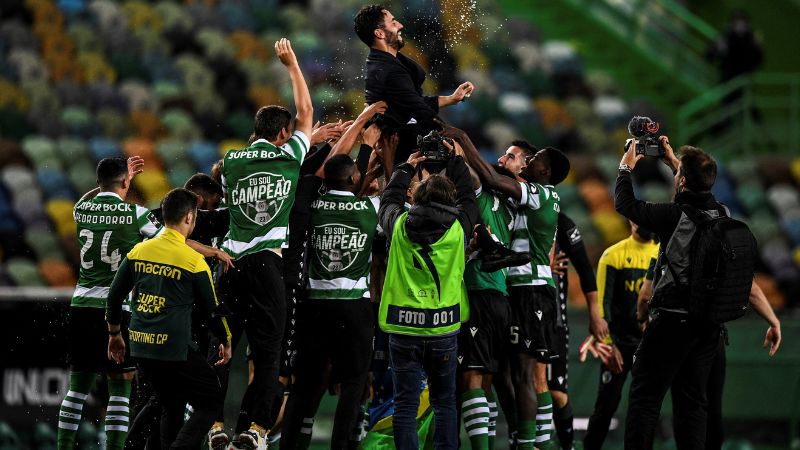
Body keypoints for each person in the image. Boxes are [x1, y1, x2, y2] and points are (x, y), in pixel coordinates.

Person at [214, 37, 313, 449]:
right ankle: (255, 430)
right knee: (268, 353)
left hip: (230, 265)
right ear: (283, 133)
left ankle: (214, 425)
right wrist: (291, 65)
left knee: (221, 348)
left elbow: (221, 177)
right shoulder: (289, 155)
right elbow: (307, 112)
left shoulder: (232, 161)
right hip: (268, 264)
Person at [447, 126, 570, 450]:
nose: (517, 161)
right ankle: (525, 440)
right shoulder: (521, 199)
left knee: (528, 376)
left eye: (526, 159)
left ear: (541, 169)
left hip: (530, 291)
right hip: (514, 290)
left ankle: (533, 445)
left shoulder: (538, 193)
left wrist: (462, 137)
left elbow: (488, 178)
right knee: (505, 374)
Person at [615, 135, 730, 449]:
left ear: (681, 182)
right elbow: (698, 188)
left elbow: (625, 205)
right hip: (708, 326)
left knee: (645, 397)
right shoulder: (723, 214)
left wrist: (625, 168)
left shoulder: (673, 216)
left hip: (672, 320)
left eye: (678, 174)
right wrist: (672, 162)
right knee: (694, 403)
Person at [106, 188, 232, 450]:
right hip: (173, 348)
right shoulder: (193, 261)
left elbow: (114, 297)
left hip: (140, 345)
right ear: (189, 218)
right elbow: (213, 311)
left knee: (170, 401)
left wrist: (115, 335)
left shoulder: (139, 251)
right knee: (210, 400)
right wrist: (226, 339)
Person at [57, 156, 160, 450]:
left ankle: (63, 446)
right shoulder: (136, 214)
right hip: (117, 309)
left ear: (99, 183)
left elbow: (85, 201)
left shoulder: (83, 210)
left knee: (77, 387)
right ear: (126, 182)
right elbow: (168, 240)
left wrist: (104, 185)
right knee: (121, 384)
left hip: (81, 306)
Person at [377, 151, 479, 450]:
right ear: (452, 200)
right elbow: (470, 199)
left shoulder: (398, 224)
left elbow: (388, 201)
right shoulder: (460, 226)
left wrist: (407, 166)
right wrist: (456, 161)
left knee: (405, 405)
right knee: (445, 402)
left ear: (417, 198)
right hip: (443, 330)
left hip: (403, 328)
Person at [354, 4, 474, 162]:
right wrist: (447, 133)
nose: (400, 25)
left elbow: (413, 102)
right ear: (379, 33)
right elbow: (419, 110)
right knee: (461, 141)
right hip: (405, 155)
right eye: (393, 22)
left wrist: (451, 98)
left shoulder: (388, 62)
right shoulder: (387, 70)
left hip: (408, 147)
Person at [582, 221, 658, 450]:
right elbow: (602, 306)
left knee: (645, 409)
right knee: (606, 405)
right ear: (630, 221)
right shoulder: (613, 255)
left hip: (648, 346)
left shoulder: (662, 252)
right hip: (618, 345)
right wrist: (607, 345)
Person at [547, 212, 599, 450]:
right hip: (518, 318)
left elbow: (585, 270)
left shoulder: (562, 223)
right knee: (521, 388)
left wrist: (595, 315)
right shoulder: (511, 213)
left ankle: (567, 445)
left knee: (557, 394)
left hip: (555, 322)